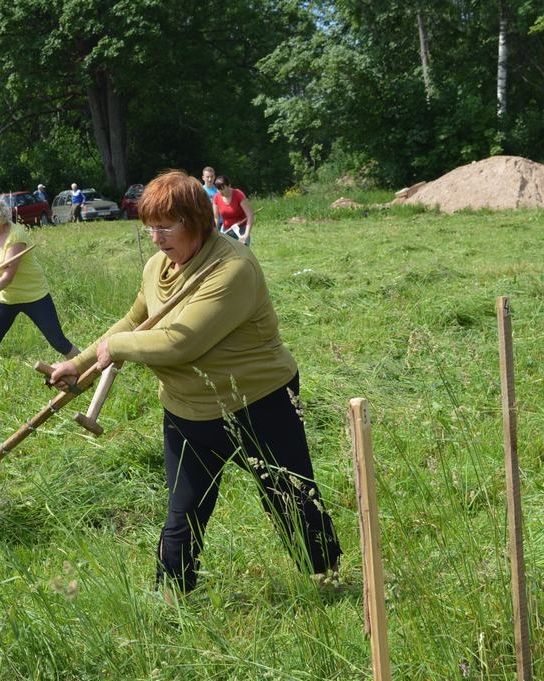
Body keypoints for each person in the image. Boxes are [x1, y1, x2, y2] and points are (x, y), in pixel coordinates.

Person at [49, 170, 341, 594]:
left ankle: (327, 581)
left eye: (165, 227)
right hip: (187, 411)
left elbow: (179, 344)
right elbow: (136, 319)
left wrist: (120, 346)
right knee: (182, 513)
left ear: (197, 221)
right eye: (149, 227)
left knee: (291, 500)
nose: (155, 238)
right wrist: (79, 362)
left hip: (258, 404)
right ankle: (173, 602)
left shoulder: (233, 268)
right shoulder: (158, 266)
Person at [0, 194, 79, 381]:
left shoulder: (16, 237)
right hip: (5, 299)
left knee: (58, 342)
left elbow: (7, 277)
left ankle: (87, 368)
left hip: (33, 296)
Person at [213, 175, 255, 246]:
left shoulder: (238, 194)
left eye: (222, 189)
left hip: (241, 229)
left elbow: (250, 215)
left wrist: (246, 234)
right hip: (227, 230)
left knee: (243, 253)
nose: (220, 192)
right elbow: (216, 218)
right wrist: (215, 233)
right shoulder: (216, 197)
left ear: (229, 186)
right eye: (218, 189)